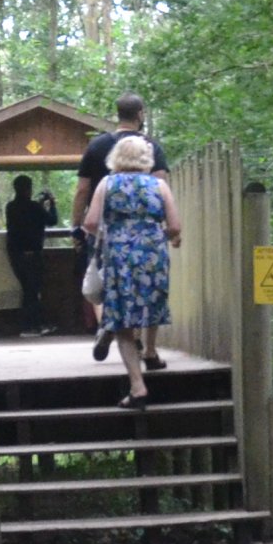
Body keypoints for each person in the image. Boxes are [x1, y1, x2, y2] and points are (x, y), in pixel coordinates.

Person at [81, 133, 182, 399]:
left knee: (123, 320)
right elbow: (174, 226)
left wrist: (111, 230)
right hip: (152, 254)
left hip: (119, 256)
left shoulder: (107, 183)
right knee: (152, 304)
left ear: (116, 157)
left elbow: (90, 223)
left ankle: (137, 386)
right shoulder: (159, 186)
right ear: (145, 159)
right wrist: (171, 237)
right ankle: (150, 350)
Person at [73, 94, 148, 349]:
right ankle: (136, 336)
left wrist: (76, 226)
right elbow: (161, 183)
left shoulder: (96, 146)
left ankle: (106, 324)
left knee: (99, 278)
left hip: (102, 226)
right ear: (140, 113)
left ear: (118, 113)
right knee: (137, 280)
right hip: (140, 229)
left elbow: (82, 189)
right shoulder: (149, 146)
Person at [2, 175, 59, 336]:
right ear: (29, 188)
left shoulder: (10, 207)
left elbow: (26, 218)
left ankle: (32, 325)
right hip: (33, 254)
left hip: (16, 255)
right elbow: (51, 220)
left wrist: (39, 205)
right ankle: (32, 326)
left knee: (28, 290)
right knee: (33, 290)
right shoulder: (34, 207)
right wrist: (52, 204)